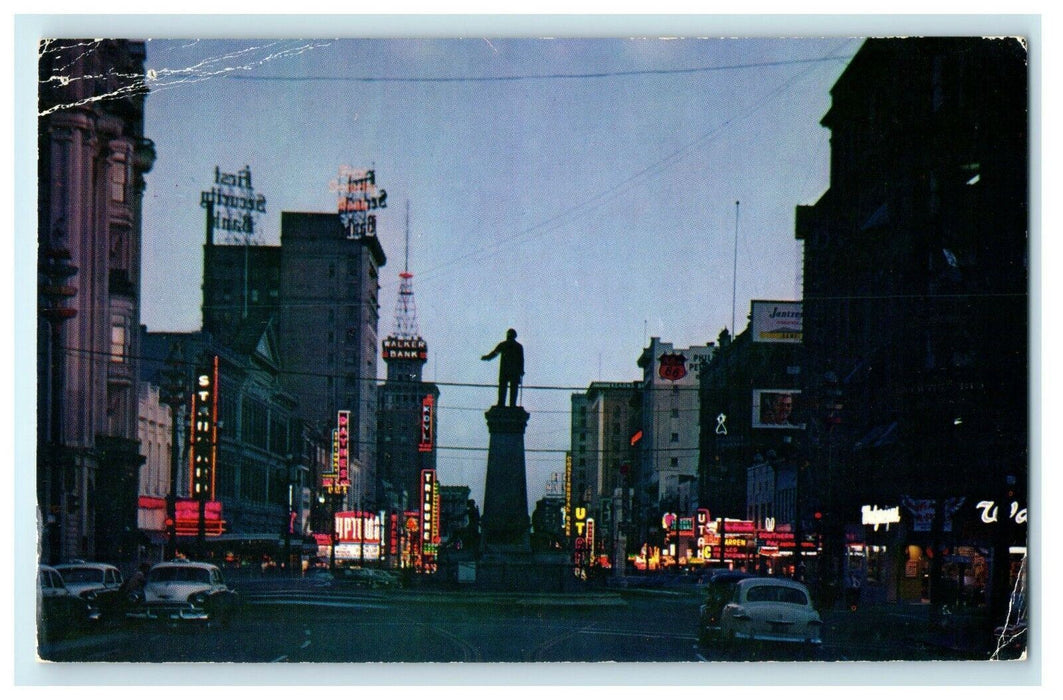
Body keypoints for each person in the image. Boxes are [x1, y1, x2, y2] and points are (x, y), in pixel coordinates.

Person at [481, 328, 524, 407]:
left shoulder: (503, 345)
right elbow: (521, 360)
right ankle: (512, 405)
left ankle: (501, 403)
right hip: (514, 371)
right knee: (513, 388)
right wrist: (521, 371)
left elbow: (494, 353)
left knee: (503, 387)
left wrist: (487, 357)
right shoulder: (518, 346)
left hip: (505, 370)